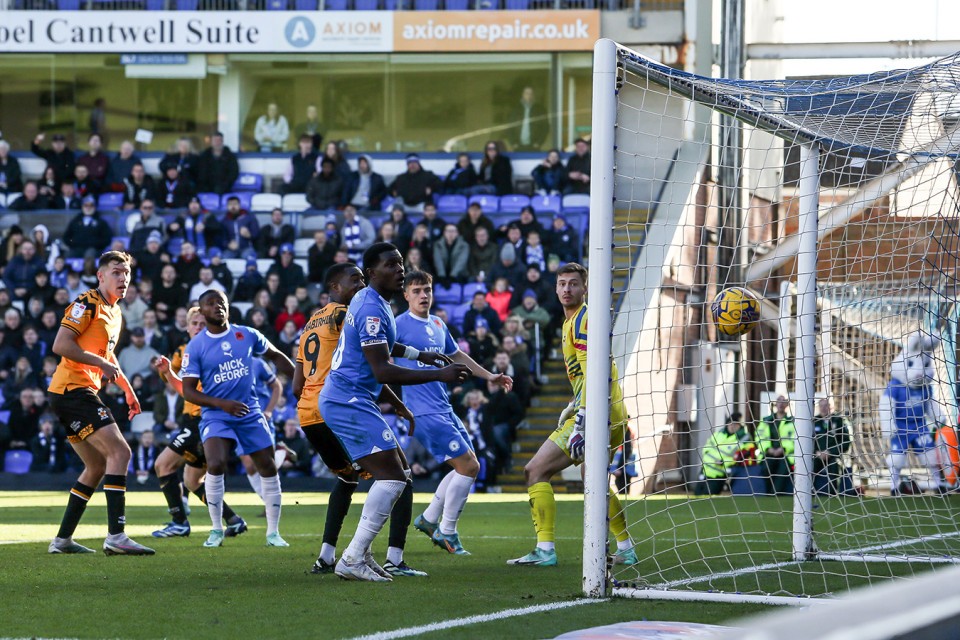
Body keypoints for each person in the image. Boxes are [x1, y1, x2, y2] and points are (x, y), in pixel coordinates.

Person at [318, 243, 469, 581]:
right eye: (391, 264)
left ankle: (361, 554)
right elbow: (382, 370)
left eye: (400, 262)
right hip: (348, 401)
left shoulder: (372, 302)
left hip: (353, 399)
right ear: (372, 273)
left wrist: (420, 355)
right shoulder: (372, 307)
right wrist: (439, 374)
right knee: (394, 477)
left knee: (399, 473)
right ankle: (353, 558)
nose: (400, 269)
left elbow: (383, 345)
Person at [294, 262, 427, 577]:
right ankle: (393, 558)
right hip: (340, 405)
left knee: (347, 479)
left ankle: (327, 556)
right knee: (400, 475)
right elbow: (373, 351)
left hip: (309, 414)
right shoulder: (349, 313)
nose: (360, 283)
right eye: (353, 279)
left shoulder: (309, 324)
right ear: (335, 288)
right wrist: (397, 403)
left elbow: (297, 385)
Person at [508, 263, 637, 567]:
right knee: (593, 479)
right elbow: (588, 373)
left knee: (535, 471)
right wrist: (573, 402)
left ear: (585, 288)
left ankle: (545, 549)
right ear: (555, 289)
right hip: (612, 411)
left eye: (573, 284)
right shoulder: (573, 322)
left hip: (597, 414)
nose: (567, 289)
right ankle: (626, 547)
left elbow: (596, 372)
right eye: (562, 284)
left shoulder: (582, 321)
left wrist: (581, 419)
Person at [47, 251, 155, 556]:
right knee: (121, 452)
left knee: (96, 466)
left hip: (72, 393)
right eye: (117, 272)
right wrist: (101, 364)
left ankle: (62, 541)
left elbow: (108, 358)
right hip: (73, 390)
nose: (123, 279)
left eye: (127, 274)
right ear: (101, 276)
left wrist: (128, 389)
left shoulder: (115, 312)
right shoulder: (87, 303)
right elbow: (61, 344)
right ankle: (117, 536)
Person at [399, 271, 513, 555]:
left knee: (466, 464)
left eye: (427, 289)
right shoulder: (397, 325)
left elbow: (457, 355)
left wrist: (489, 377)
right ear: (405, 295)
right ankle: (446, 531)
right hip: (423, 411)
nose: (423, 295)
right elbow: (379, 358)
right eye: (417, 291)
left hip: (444, 406)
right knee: (469, 466)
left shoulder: (438, 323)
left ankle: (428, 519)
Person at [180, 289, 295, 548]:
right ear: (202, 310)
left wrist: (301, 379)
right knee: (216, 463)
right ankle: (216, 530)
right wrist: (221, 404)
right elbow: (188, 391)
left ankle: (273, 533)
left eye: (221, 302)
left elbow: (276, 356)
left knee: (267, 466)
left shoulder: (247, 334)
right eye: (210, 304)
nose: (217, 307)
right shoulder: (196, 345)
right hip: (216, 414)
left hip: (248, 411)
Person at [151, 306, 248, 538]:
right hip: (198, 418)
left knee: (162, 465)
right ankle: (233, 520)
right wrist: (166, 371)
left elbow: (189, 392)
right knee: (193, 480)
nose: (198, 327)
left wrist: (169, 374)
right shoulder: (186, 352)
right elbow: (181, 386)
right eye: (194, 323)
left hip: (202, 419)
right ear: (186, 326)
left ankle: (179, 522)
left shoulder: (209, 353)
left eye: (203, 324)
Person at [696, 413, 756, 495]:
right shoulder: (718, 434)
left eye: (735, 424)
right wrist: (713, 460)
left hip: (720, 475)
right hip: (704, 472)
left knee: (709, 498)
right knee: (697, 496)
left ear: (740, 426)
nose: (732, 426)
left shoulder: (745, 439)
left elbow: (741, 457)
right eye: (730, 423)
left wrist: (723, 461)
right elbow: (706, 449)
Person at [756, 395, 797, 495]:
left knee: (783, 471)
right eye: (779, 401)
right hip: (768, 453)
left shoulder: (792, 421)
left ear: (787, 404)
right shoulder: (766, 420)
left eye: (784, 401)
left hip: (785, 455)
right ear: (775, 404)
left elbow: (795, 438)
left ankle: (776, 494)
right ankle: (768, 493)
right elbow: (759, 436)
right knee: (766, 468)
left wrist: (784, 448)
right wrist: (768, 448)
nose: (781, 404)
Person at [813, 398, 853, 496]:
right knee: (808, 464)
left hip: (834, 456)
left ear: (831, 407)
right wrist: (816, 452)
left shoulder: (839, 420)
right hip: (817, 455)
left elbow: (845, 442)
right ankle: (809, 491)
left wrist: (830, 452)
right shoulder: (814, 421)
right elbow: (807, 441)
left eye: (826, 405)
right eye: (821, 406)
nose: (823, 408)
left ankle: (833, 493)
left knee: (834, 464)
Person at [197, 132, 239, 196]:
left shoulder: (230, 156)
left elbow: (234, 172)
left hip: (224, 188)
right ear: (211, 142)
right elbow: (201, 172)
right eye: (215, 140)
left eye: (219, 140)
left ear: (222, 141)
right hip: (206, 187)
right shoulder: (205, 156)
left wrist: (225, 184)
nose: (217, 143)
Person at [509, 87, 549, 151]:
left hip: (534, 145)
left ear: (533, 95)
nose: (529, 96)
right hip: (518, 146)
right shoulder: (515, 110)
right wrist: (513, 142)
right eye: (527, 93)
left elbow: (545, 127)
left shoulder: (540, 110)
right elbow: (510, 128)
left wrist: (539, 142)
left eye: (531, 93)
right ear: (523, 95)